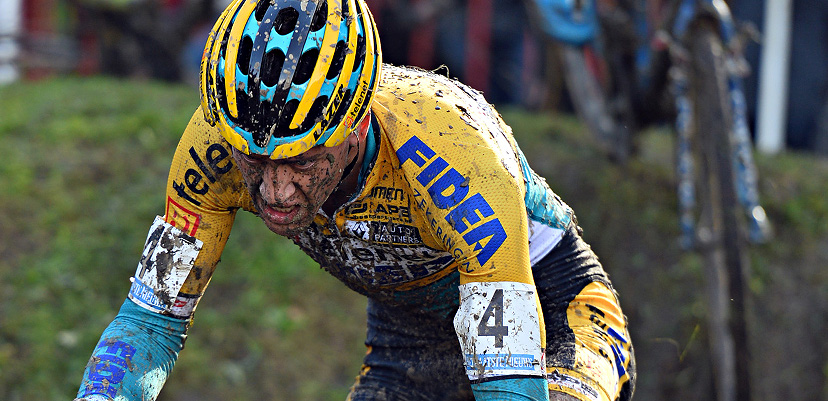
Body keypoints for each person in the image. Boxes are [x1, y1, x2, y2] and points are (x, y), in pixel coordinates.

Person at [74, 0, 636, 399]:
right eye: (255, 162)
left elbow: (511, 380)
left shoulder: (445, 152)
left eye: (301, 161)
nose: (275, 191)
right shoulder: (211, 148)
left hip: (552, 312)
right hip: (408, 331)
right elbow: (149, 325)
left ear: (354, 126)